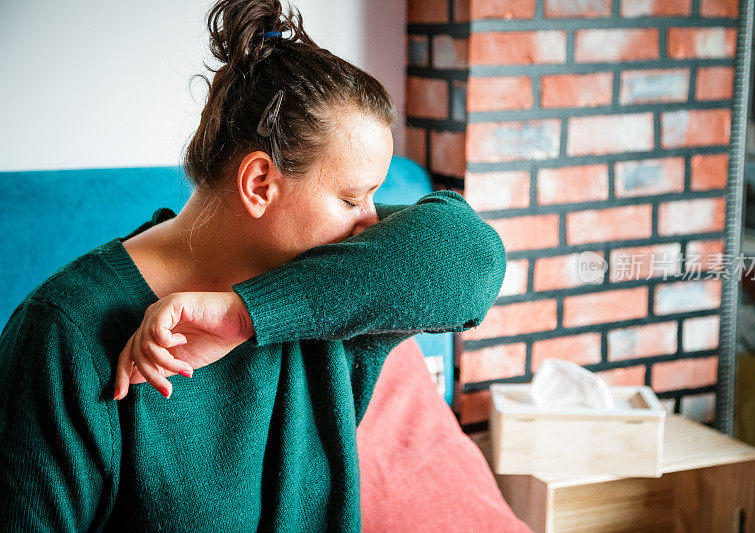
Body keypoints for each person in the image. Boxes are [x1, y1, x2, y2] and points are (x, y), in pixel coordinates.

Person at [0, 0, 506, 531]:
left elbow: (475, 258)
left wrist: (245, 316)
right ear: (260, 184)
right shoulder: (63, 336)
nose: (371, 224)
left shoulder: (339, 289)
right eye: (354, 198)